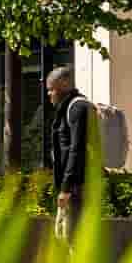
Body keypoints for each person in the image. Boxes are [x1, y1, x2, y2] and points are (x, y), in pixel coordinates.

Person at [43, 64, 97, 237]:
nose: (49, 94)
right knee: (65, 234)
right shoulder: (68, 108)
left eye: (51, 89)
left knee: (72, 236)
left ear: (64, 85)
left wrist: (66, 189)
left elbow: (76, 150)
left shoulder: (77, 108)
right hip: (75, 186)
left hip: (77, 187)